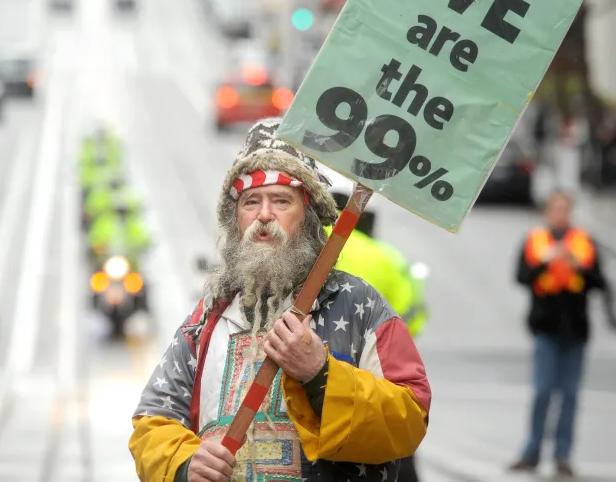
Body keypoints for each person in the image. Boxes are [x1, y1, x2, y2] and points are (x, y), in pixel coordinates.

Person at [129, 118, 431, 482]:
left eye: (281, 201)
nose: (264, 216)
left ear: (308, 217)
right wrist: (184, 464)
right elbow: (152, 421)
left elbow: (409, 420)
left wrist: (320, 374)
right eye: (251, 202)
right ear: (234, 221)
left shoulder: (358, 305)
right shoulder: (208, 317)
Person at [327, 179, 428, 482]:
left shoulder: (315, 244)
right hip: (377, 364)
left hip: (318, 361)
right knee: (392, 440)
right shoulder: (388, 258)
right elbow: (414, 313)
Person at [509, 191, 610, 477]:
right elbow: (521, 276)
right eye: (556, 209)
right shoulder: (535, 241)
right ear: (547, 212)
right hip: (546, 327)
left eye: (565, 209)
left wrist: (580, 267)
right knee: (542, 392)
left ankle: (563, 455)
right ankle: (532, 451)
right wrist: (546, 261)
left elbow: (600, 282)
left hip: (576, 330)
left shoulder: (584, 243)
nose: (560, 214)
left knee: (570, 395)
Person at [87, 200, 151, 268]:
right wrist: (98, 246)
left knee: (137, 274)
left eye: (123, 211)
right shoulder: (104, 221)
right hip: (107, 258)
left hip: (128, 259)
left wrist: (144, 245)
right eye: (118, 211)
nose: (120, 213)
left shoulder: (132, 224)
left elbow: (141, 238)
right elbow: (95, 235)